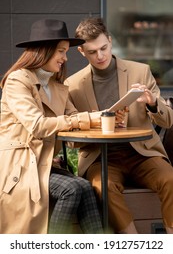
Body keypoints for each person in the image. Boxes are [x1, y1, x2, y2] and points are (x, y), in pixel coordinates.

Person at [64, 17, 173, 234]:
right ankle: (133, 243)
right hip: (101, 156)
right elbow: (72, 140)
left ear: (111, 41)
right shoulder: (72, 86)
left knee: (170, 179)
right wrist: (98, 124)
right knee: (101, 187)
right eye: (92, 52)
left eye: (103, 48)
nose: (100, 55)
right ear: (82, 52)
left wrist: (152, 104)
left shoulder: (140, 71)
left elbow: (168, 120)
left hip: (142, 153)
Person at [0, 19, 109, 234]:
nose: (65, 58)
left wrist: (106, 119)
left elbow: (75, 118)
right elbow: (38, 126)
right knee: (71, 189)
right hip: (20, 167)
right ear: (44, 50)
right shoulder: (18, 81)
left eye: (66, 51)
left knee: (86, 187)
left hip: (45, 164)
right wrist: (87, 118)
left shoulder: (57, 86)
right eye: (61, 51)